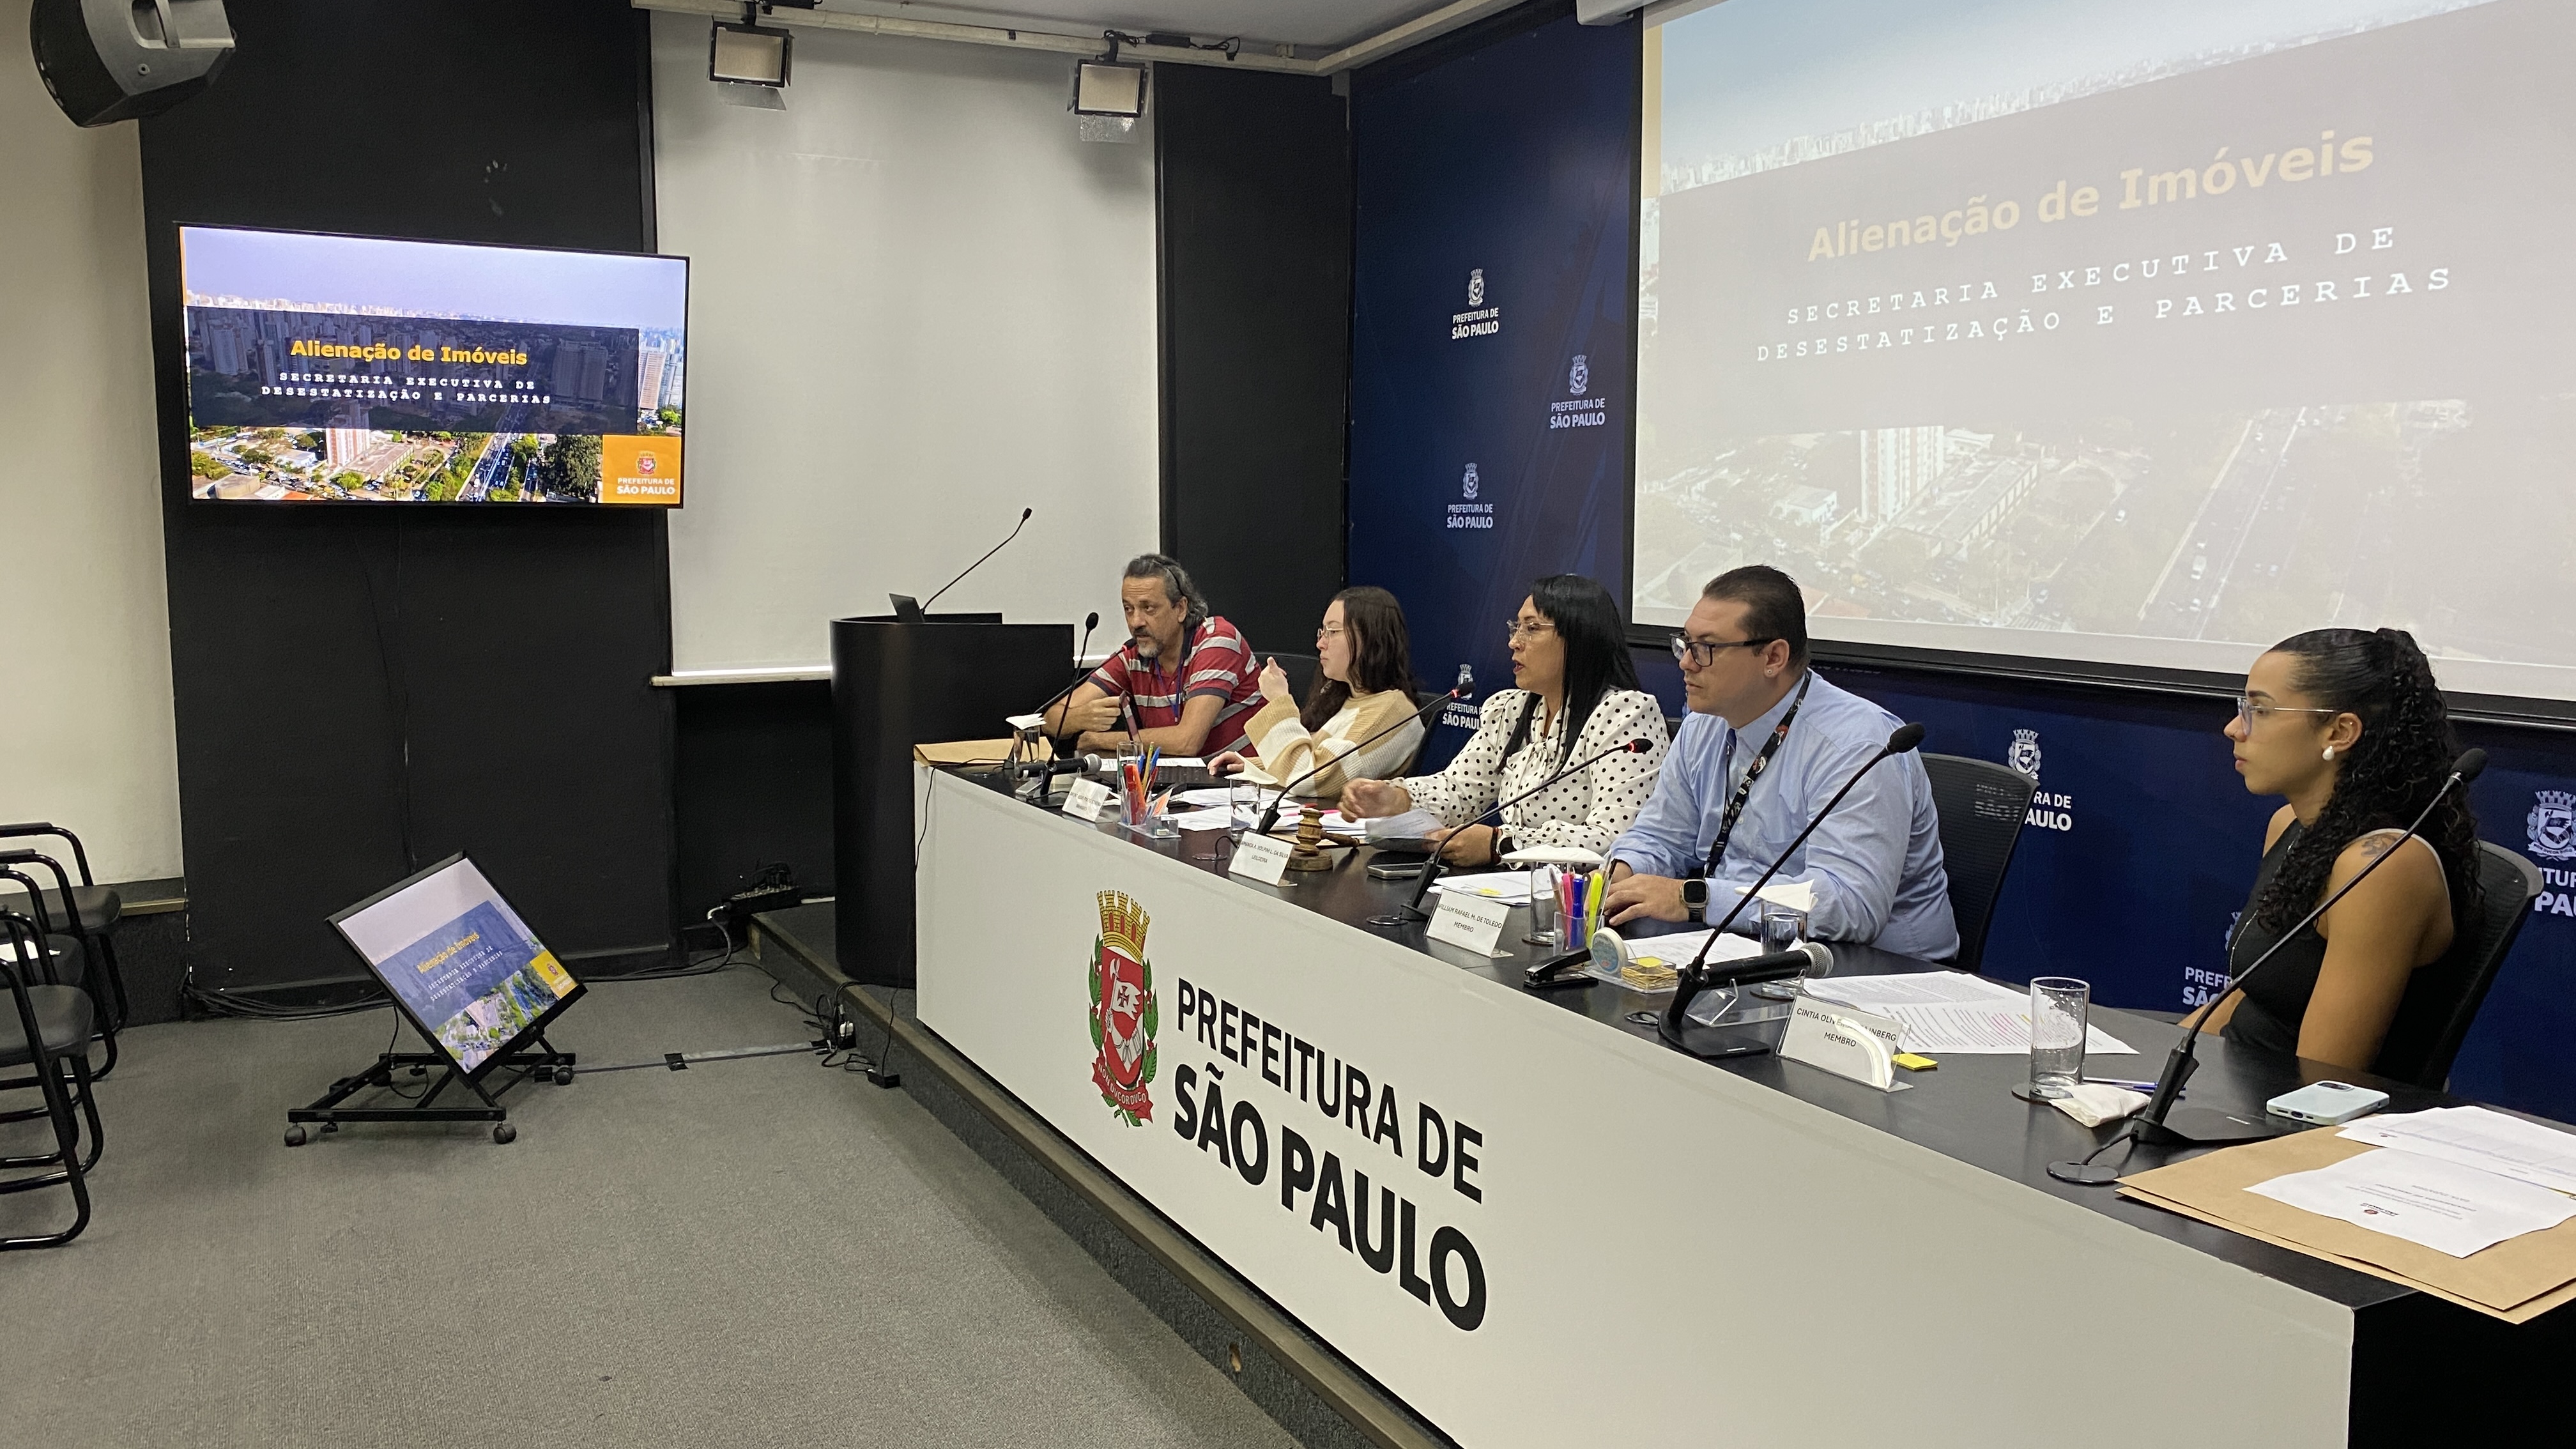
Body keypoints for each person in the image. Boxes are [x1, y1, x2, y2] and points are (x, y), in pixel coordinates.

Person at [1601, 565, 1956, 958]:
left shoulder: (1854, 745)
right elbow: (1660, 837)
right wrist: (1620, 876)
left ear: (1773, 657)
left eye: (1707, 648)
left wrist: (1696, 898)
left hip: (1878, 968)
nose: (1686, 662)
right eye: (1685, 643)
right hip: (1742, 943)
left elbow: (1848, 904)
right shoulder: (1703, 725)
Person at [2188, 628, 2481, 1075]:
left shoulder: (2381, 867)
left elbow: (2321, 1081)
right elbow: (2250, 995)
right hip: (2228, 1082)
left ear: (2340, 731)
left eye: (2260, 710)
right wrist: (2149, 1073)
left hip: (2280, 1106)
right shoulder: (2289, 825)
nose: (2234, 728)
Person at [1341, 575, 1666, 864]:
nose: (1514, 642)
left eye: (1532, 629)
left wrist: (1502, 844)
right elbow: (1461, 790)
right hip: (1509, 888)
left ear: (1579, 638)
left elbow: (1616, 838)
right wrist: (1398, 797)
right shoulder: (1512, 710)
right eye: (1516, 628)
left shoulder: (1625, 716)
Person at [1210, 587, 1424, 802]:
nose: (1320, 644)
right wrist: (1256, 766)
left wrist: (1279, 700)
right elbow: (1313, 760)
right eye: (1322, 632)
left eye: (1333, 632)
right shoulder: (1344, 698)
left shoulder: (1392, 711)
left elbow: (1309, 779)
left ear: (1371, 638)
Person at [1045, 555, 1264, 758]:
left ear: (1180, 609)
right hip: (1178, 782)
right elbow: (1050, 719)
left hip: (1241, 781)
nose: (1135, 622)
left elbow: (1187, 742)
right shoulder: (1131, 656)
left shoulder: (1216, 640)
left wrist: (1100, 740)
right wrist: (1078, 717)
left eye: (1148, 608)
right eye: (1128, 609)